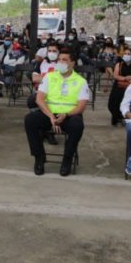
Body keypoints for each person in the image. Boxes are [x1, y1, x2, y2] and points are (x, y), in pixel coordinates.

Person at [24, 49, 88, 177]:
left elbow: (81, 106)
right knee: (30, 120)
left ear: (72, 63)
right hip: (49, 114)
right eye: (59, 59)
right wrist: (51, 116)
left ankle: (67, 160)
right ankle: (39, 158)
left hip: (69, 116)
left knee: (77, 125)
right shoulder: (49, 77)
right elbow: (39, 99)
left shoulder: (81, 81)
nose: (61, 62)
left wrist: (66, 115)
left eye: (65, 60)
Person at [108, 47, 131, 126]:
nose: (126, 55)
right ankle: (116, 117)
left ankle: (125, 117)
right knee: (113, 101)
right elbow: (115, 76)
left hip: (130, 86)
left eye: (128, 54)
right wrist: (125, 78)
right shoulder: (119, 64)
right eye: (125, 53)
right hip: (119, 85)